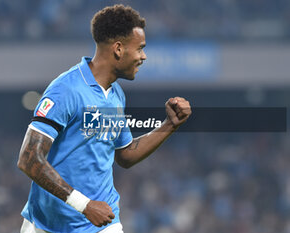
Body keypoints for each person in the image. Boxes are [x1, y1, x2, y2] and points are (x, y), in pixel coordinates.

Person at [17, 4, 191, 233]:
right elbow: (29, 160)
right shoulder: (65, 90)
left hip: (101, 224)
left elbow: (125, 155)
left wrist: (169, 126)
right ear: (118, 49)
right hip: (46, 224)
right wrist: (84, 205)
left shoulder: (116, 94)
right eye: (140, 48)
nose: (143, 56)